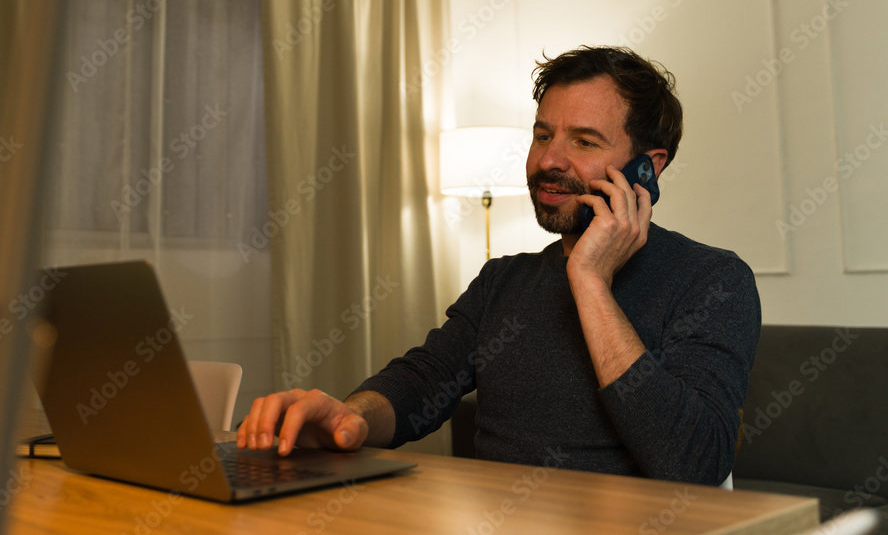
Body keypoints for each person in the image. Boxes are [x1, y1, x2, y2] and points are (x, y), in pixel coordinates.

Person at [238, 45, 761, 485]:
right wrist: (350, 417)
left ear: (648, 168)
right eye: (542, 135)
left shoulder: (713, 281)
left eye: (583, 141)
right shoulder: (503, 280)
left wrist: (590, 283)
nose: (548, 160)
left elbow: (695, 462)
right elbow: (424, 382)